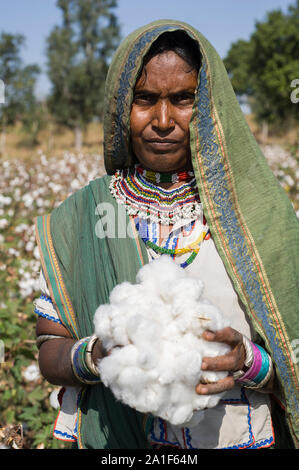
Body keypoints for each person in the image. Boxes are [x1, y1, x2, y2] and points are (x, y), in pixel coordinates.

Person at [34, 20, 299, 449]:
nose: (163, 120)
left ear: (210, 106)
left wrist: (250, 364)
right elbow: (51, 349)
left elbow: (293, 354)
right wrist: (98, 355)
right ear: (122, 106)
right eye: (145, 99)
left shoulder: (257, 216)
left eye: (183, 99)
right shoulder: (80, 218)